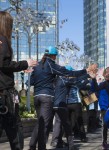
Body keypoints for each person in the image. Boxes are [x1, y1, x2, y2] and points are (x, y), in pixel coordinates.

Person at [28, 47, 97, 150]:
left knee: (40, 122)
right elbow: (69, 74)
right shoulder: (51, 65)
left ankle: (32, 146)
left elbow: (31, 82)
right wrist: (86, 71)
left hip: (36, 96)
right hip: (47, 98)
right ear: (53, 55)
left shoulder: (37, 65)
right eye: (55, 56)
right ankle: (43, 147)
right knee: (46, 125)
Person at [0, 11, 37, 150]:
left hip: (4, 93)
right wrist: (24, 63)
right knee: (15, 128)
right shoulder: (2, 41)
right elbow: (3, 64)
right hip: (5, 94)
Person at [50, 66, 91, 149]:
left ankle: (58, 140)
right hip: (74, 104)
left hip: (64, 104)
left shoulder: (58, 80)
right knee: (76, 121)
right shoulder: (69, 81)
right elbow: (81, 84)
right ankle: (78, 139)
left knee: (63, 122)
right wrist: (88, 76)